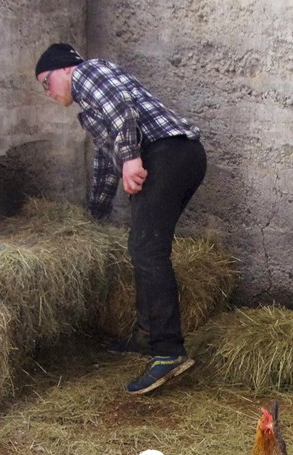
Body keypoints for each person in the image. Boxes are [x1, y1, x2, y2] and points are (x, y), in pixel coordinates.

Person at [34, 43, 207, 395]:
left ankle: (168, 351)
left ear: (65, 69)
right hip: (176, 156)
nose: (47, 92)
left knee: (147, 249)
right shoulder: (91, 109)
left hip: (168, 152)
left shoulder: (88, 72)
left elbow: (121, 107)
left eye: (46, 82)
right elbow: (104, 161)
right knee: (144, 246)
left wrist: (130, 157)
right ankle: (147, 335)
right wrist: (94, 214)